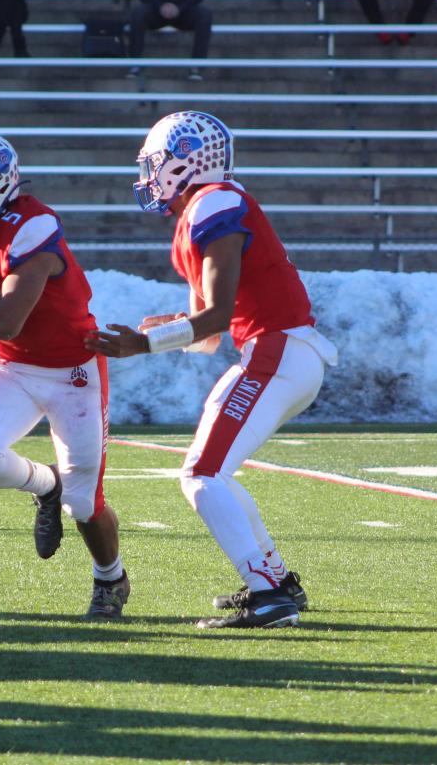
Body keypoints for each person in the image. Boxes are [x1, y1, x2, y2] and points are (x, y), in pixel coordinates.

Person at [87, 110, 339, 630]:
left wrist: (145, 343)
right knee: (211, 471)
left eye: (157, 164)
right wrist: (166, 328)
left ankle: (271, 597)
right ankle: (276, 580)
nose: (149, 176)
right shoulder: (204, 210)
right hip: (277, 353)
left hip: (279, 351)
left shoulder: (216, 200)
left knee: (202, 475)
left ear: (186, 162)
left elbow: (218, 316)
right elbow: (208, 333)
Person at [0, 129, 130, 619]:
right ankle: (45, 485)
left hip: (72, 370)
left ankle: (111, 578)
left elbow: (5, 318)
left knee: (85, 505)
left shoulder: (32, 226)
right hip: (11, 364)